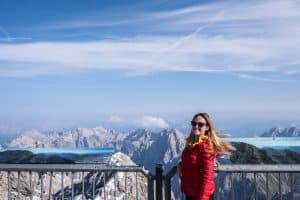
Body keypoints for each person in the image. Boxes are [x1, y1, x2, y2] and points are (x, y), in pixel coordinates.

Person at [177, 113, 235, 200]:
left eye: (200, 124)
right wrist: (180, 165)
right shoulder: (193, 145)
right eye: (194, 123)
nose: (196, 126)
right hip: (191, 193)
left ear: (207, 127)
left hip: (201, 196)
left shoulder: (206, 147)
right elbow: (192, 160)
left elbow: (207, 178)